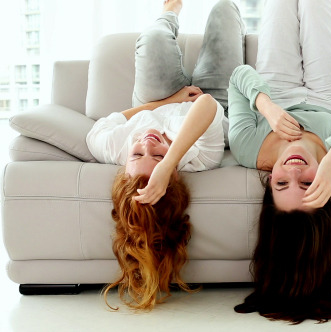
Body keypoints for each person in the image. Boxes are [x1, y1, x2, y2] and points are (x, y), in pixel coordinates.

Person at [228, 0, 331, 323]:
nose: (295, 169)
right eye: (308, 183)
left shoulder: (247, 149)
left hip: (277, 91)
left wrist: (267, 107)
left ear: (269, 183)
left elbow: (238, 76)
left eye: (283, 183)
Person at [86, 0, 245, 311]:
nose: (149, 142)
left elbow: (106, 123)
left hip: (157, 99)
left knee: (153, 40)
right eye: (157, 155)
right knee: (225, 10)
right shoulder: (198, 157)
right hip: (213, 98)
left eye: (137, 152)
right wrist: (170, 159)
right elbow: (208, 105)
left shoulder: (112, 146)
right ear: (172, 173)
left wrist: (165, 102)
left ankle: (170, 9)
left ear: (123, 164)